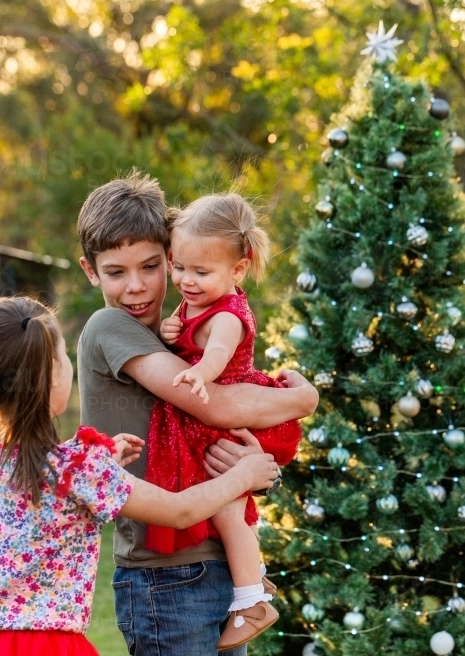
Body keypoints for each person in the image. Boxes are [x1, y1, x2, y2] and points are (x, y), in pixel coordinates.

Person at [0, 296, 280, 656]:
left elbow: (39, 482)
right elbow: (179, 510)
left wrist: (98, 458)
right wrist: (242, 475)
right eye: (63, 356)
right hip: (51, 646)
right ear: (50, 377)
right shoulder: (79, 470)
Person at [76, 172, 318, 655]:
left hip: (220, 560)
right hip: (164, 576)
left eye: (150, 266)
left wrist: (255, 471)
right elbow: (219, 406)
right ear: (90, 271)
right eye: (116, 272)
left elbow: (236, 414)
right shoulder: (108, 327)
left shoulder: (189, 332)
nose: (137, 287)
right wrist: (304, 401)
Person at [143, 194, 301, 650]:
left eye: (201, 272)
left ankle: (253, 601)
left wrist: (197, 373)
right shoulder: (195, 301)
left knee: (230, 511)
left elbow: (215, 353)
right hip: (202, 424)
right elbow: (188, 333)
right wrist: (171, 333)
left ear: (238, 270)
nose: (186, 281)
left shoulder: (228, 313)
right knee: (222, 510)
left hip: (223, 421)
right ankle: (252, 581)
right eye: (179, 267)